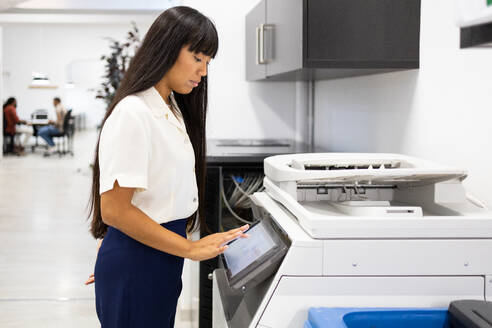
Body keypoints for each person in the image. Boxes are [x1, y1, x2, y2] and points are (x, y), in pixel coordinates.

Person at [86, 6, 249, 328]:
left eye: (208, 63)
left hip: (155, 253)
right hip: (140, 257)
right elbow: (115, 211)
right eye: (198, 58)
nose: (203, 71)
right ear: (168, 48)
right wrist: (188, 248)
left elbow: (144, 198)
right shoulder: (134, 112)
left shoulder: (169, 108)